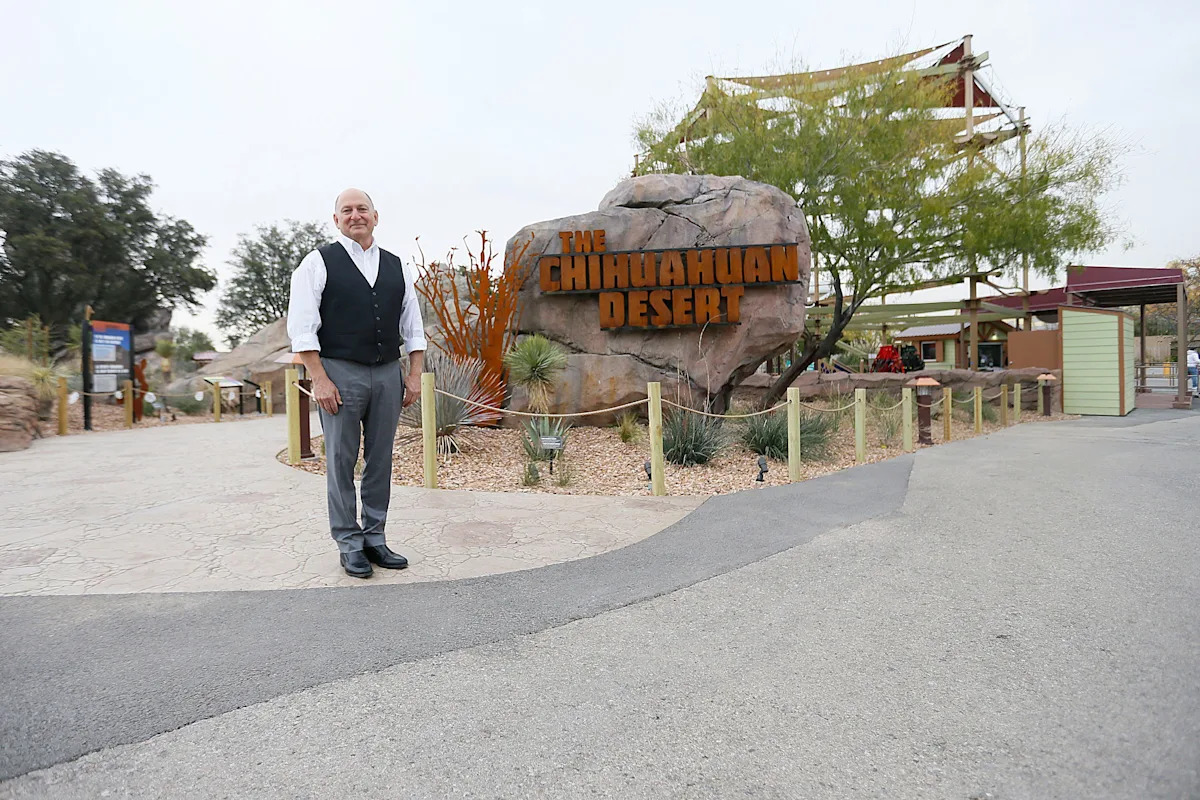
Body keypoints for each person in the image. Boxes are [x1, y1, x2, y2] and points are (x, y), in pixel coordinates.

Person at [287, 189, 426, 578]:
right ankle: (349, 543)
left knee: (381, 458)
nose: (355, 215)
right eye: (346, 210)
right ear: (336, 220)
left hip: (387, 372)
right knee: (341, 459)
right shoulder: (317, 262)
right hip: (339, 372)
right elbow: (302, 327)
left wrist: (414, 374)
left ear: (375, 216)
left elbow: (412, 325)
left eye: (362, 209)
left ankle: (375, 537)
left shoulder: (397, 265)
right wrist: (319, 379)